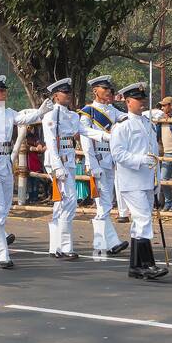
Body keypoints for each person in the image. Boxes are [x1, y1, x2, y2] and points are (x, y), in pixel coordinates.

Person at [0, 75, 49, 269]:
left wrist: (39, 112)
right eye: (0, 90)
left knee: (4, 209)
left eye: (5, 90)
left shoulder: (7, 112)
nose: (4, 93)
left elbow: (22, 117)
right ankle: (2, 254)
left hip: (4, 163)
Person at [42, 78, 109, 259]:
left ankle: (55, 247)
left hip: (69, 160)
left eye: (69, 92)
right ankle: (65, 247)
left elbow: (85, 131)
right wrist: (57, 166)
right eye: (65, 93)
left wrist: (107, 137)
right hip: (58, 162)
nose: (69, 95)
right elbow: (50, 143)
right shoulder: (50, 116)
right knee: (69, 201)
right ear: (56, 96)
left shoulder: (72, 116)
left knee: (61, 203)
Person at [108, 82, 168, 280]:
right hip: (131, 180)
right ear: (127, 101)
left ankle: (136, 266)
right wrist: (139, 159)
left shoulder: (148, 124)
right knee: (143, 219)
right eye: (138, 99)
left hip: (147, 180)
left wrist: (157, 179)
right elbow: (117, 154)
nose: (142, 103)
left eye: (143, 99)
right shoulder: (122, 126)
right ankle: (148, 264)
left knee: (140, 222)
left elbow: (154, 155)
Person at [79, 75, 129, 254]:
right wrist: (92, 164)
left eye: (110, 89)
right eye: (105, 89)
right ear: (95, 91)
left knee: (106, 202)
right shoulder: (88, 111)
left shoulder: (111, 109)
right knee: (103, 203)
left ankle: (101, 243)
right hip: (98, 160)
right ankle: (110, 242)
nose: (109, 92)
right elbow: (85, 138)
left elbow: (126, 118)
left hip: (110, 160)